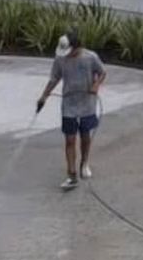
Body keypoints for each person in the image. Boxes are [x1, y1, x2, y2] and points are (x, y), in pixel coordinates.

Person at [37, 30, 107, 191]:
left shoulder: (90, 57)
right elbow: (54, 78)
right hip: (69, 104)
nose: (67, 54)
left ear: (77, 47)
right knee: (69, 139)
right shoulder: (61, 59)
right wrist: (44, 97)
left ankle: (84, 163)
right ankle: (71, 174)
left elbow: (102, 72)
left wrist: (96, 85)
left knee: (85, 136)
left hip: (87, 103)